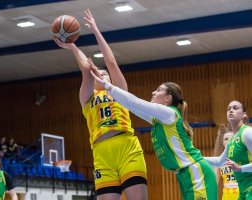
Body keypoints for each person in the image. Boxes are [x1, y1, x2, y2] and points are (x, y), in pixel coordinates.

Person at [54, 9, 148, 200]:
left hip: (126, 147)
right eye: (99, 73)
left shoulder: (119, 91)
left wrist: (96, 30)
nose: (102, 74)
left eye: (104, 74)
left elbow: (111, 63)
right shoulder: (87, 98)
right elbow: (86, 70)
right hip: (101, 152)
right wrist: (72, 46)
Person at [90, 65, 218, 199]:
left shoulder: (169, 113)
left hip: (196, 173)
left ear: (168, 98)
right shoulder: (159, 120)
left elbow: (135, 101)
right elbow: (131, 106)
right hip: (184, 175)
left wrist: (108, 86)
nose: (153, 92)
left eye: (158, 90)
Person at [205, 100, 252, 199]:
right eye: (228, 109)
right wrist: (195, 158)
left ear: (244, 115)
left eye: (235, 108)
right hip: (243, 192)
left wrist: (240, 168)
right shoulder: (232, 140)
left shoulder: (247, 132)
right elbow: (219, 161)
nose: (231, 110)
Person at [213, 124, 239, 200]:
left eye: (231, 138)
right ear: (223, 142)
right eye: (226, 139)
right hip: (227, 197)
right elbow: (215, 183)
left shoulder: (245, 157)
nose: (228, 141)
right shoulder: (219, 161)